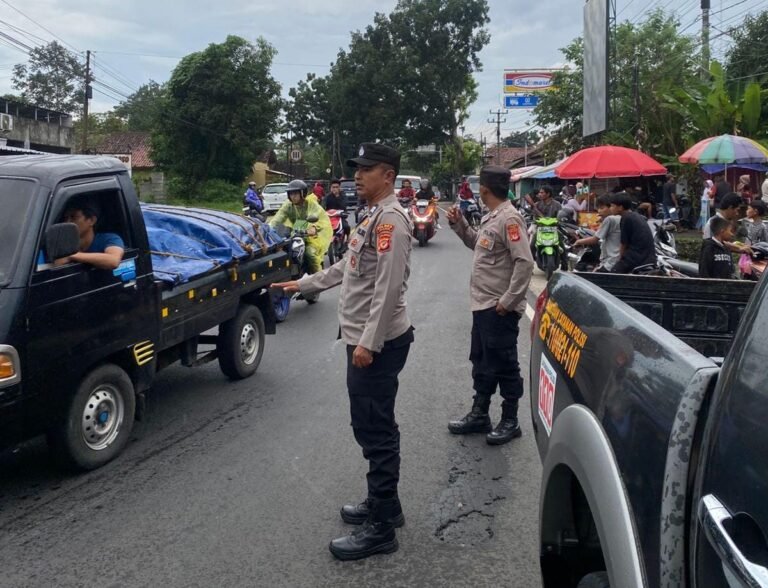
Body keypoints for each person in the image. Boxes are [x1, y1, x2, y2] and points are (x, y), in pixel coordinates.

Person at [272, 143, 413, 561]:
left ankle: (382, 529)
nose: (357, 175)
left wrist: (368, 342)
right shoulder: (370, 216)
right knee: (371, 424)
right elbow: (346, 269)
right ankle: (386, 503)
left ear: (387, 175)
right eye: (357, 169)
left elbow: (387, 288)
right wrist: (302, 284)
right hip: (365, 337)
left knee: (375, 430)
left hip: (379, 342)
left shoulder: (391, 221)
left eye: (366, 170)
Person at [446, 165, 534, 446]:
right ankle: (480, 413)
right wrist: (460, 224)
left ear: (484, 189)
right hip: (483, 305)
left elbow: (525, 262)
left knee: (505, 364)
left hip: (499, 308)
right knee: (482, 361)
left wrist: (509, 301)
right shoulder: (492, 217)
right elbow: (478, 244)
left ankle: (510, 420)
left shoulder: (510, 219)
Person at [268, 179, 332, 274]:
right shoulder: (288, 205)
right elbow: (278, 218)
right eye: (291, 194)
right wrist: (267, 228)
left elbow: (315, 217)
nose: (293, 196)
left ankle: (318, 277)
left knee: (310, 254)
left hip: (315, 233)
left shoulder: (311, 204)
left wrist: (312, 229)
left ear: (303, 193)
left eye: (295, 194)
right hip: (297, 231)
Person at [53, 197, 124, 270]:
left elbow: (113, 261)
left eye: (73, 217)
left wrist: (72, 256)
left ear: (92, 220)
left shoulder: (109, 239)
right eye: (65, 218)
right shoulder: (61, 244)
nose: (67, 222)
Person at [609, 191, 656, 274]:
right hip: (648, 256)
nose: (610, 208)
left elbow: (624, 243)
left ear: (620, 207)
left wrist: (620, 260)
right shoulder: (635, 216)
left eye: (612, 206)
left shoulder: (626, 218)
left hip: (637, 257)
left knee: (614, 272)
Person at [572, 195, 621, 272]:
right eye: (598, 208)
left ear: (611, 207)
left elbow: (595, 239)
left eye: (602, 208)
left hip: (610, 260)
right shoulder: (620, 218)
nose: (599, 211)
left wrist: (578, 241)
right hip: (618, 259)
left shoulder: (610, 219)